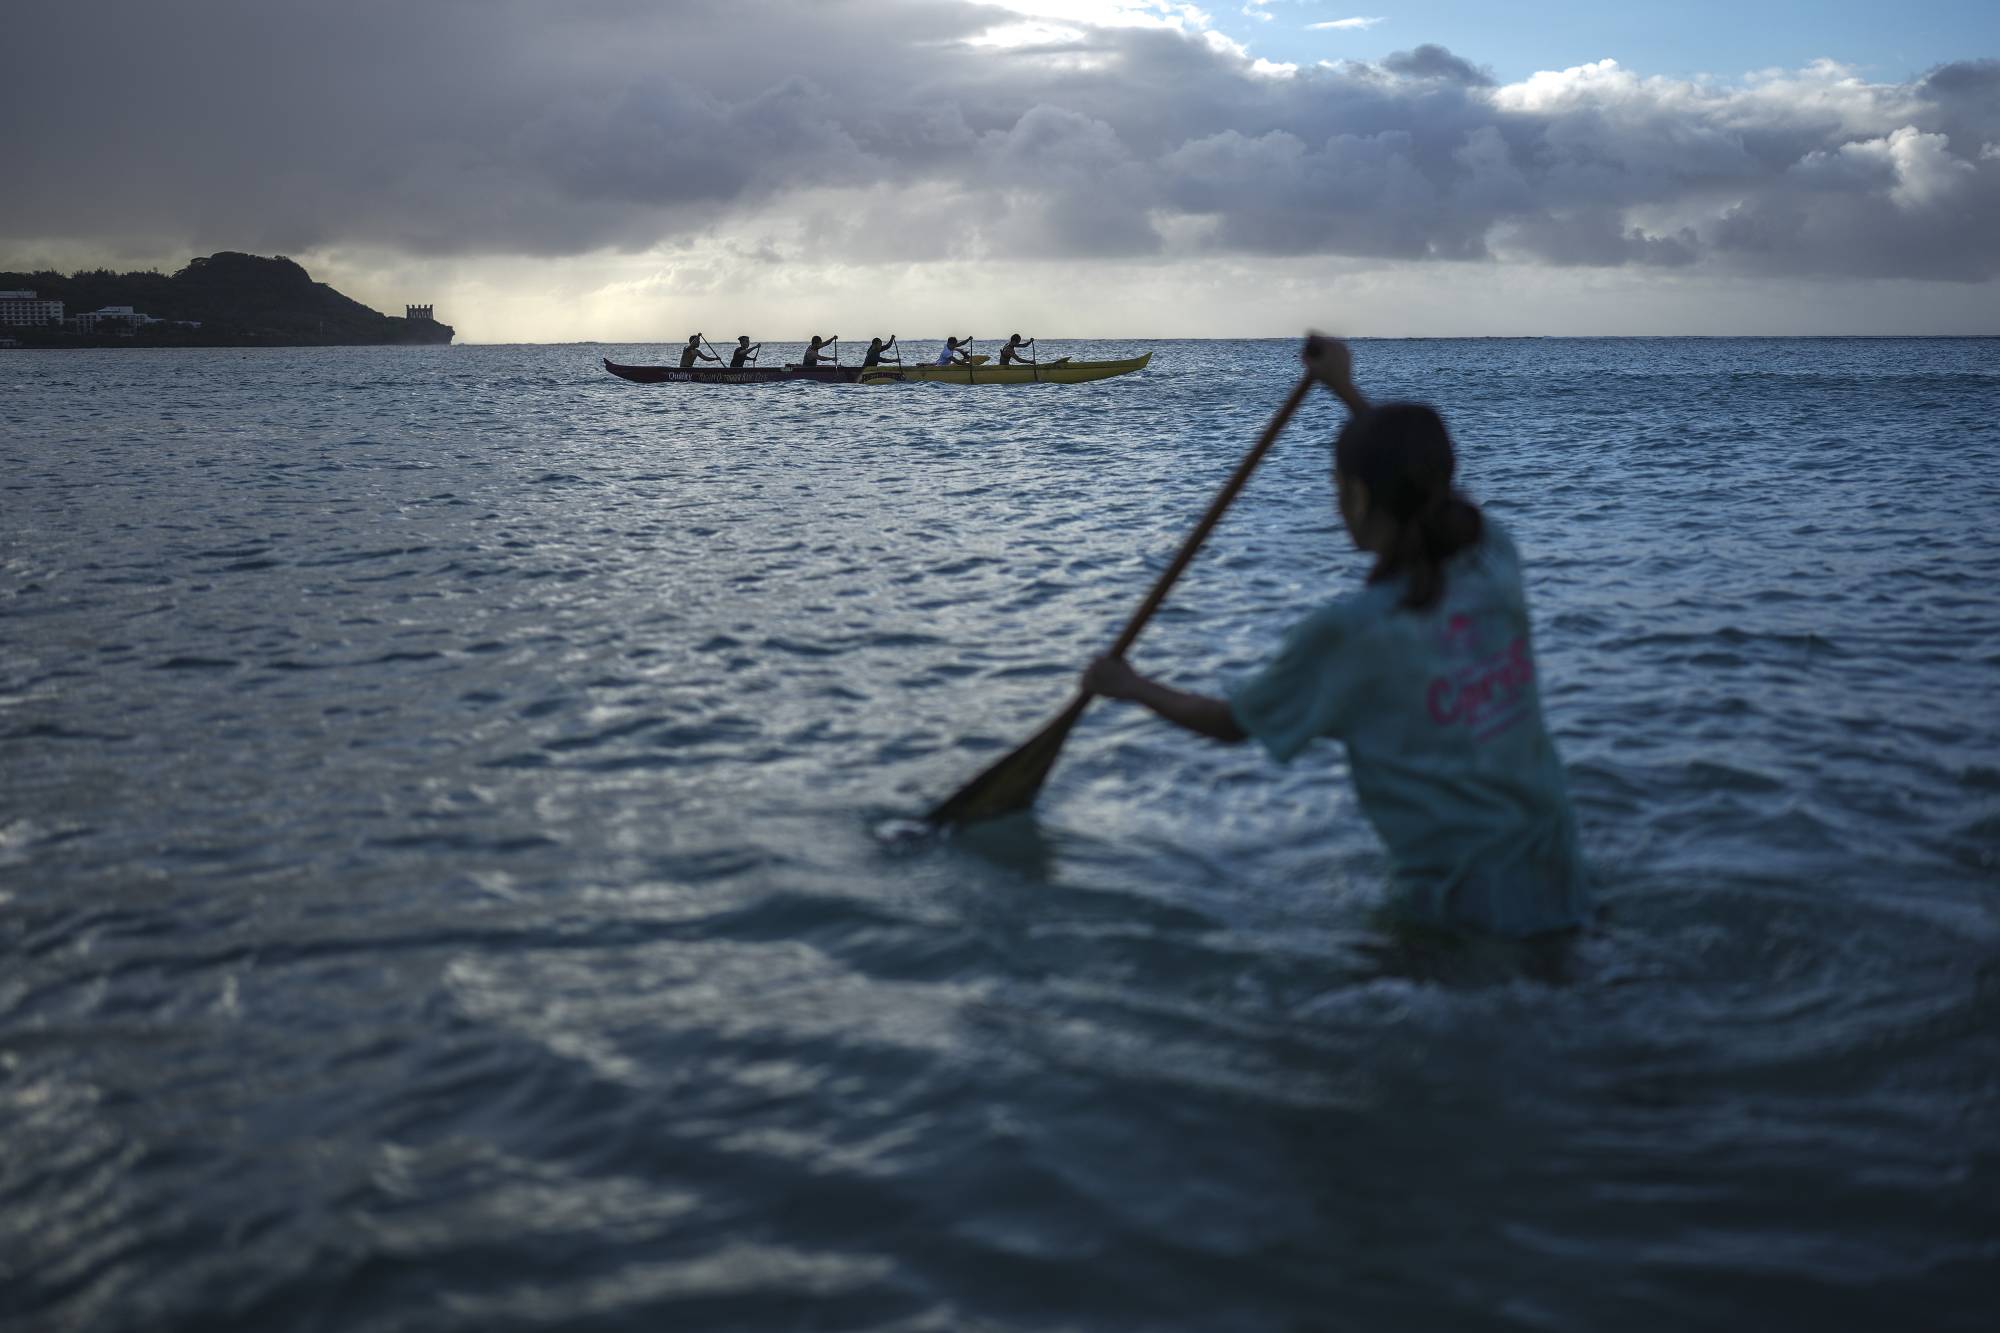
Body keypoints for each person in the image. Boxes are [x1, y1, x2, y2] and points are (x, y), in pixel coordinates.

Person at [1081, 334, 1588, 939]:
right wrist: (1343, 388)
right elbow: (1419, 480)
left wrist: (1130, 685)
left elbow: (1234, 723)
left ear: (1357, 495)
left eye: (1336, 485)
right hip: (1560, 869)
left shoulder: (1355, 631)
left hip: (1461, 908)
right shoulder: (1491, 557)